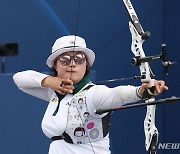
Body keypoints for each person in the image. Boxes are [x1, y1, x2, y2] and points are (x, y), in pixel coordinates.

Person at [13, 35, 168, 154]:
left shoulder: (93, 94)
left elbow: (117, 94)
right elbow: (19, 79)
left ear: (86, 64)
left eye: (79, 59)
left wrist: (141, 91)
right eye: (65, 60)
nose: (72, 64)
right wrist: (48, 80)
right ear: (55, 64)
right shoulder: (54, 93)